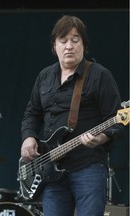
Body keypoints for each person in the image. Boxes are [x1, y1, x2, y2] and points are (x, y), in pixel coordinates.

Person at [20, 15, 124, 216]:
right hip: (50, 169)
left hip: (88, 167)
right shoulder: (44, 76)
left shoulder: (100, 75)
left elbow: (117, 118)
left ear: (84, 45)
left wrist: (102, 137)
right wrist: (28, 137)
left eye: (75, 40)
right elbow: (32, 112)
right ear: (54, 46)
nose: (69, 46)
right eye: (63, 40)